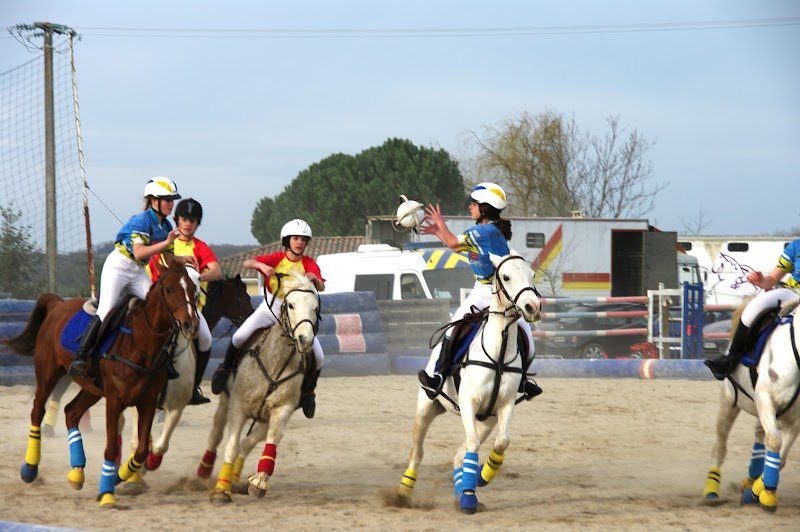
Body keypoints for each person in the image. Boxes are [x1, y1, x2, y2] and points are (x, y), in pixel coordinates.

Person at [416, 182, 543, 400]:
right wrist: (438, 232)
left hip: (498, 293)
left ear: (484, 208)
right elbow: (455, 246)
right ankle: (439, 375)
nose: (470, 207)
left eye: (474, 204)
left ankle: (520, 379)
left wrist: (440, 223)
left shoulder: (484, 231)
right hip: (486, 291)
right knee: (455, 329)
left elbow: (453, 243)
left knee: (454, 331)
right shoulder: (487, 231)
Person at [68, 177, 196, 377]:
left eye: (172, 200)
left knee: (159, 308)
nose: (171, 204)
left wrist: (182, 259)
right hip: (119, 267)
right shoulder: (141, 220)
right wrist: (166, 242)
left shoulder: (165, 225)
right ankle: (81, 356)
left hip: (137, 271)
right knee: (106, 309)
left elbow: (168, 258)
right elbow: (139, 252)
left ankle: (164, 359)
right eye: (167, 199)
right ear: (154, 201)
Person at [210, 219, 326, 418]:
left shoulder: (309, 263)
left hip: (295, 314)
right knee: (239, 337)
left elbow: (322, 287)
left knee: (320, 356)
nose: (300, 242)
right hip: (271, 307)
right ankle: (225, 370)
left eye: (303, 239)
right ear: (287, 240)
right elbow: (247, 263)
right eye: (296, 238)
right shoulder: (277, 258)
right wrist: (261, 266)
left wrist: (315, 279)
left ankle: (308, 392)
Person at [148, 197, 221, 405]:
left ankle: (193, 387)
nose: (188, 224)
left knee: (205, 339)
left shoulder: (200, 247)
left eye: (193, 220)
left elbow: (216, 271)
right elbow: (154, 270)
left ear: (197, 224)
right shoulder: (165, 242)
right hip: (163, 307)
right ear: (177, 220)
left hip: (190, 309)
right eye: (184, 219)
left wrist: (199, 277)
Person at [704, 238, 800, 380]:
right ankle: (730, 360)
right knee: (756, 304)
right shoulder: (796, 246)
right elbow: (772, 279)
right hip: (793, 293)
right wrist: (762, 281)